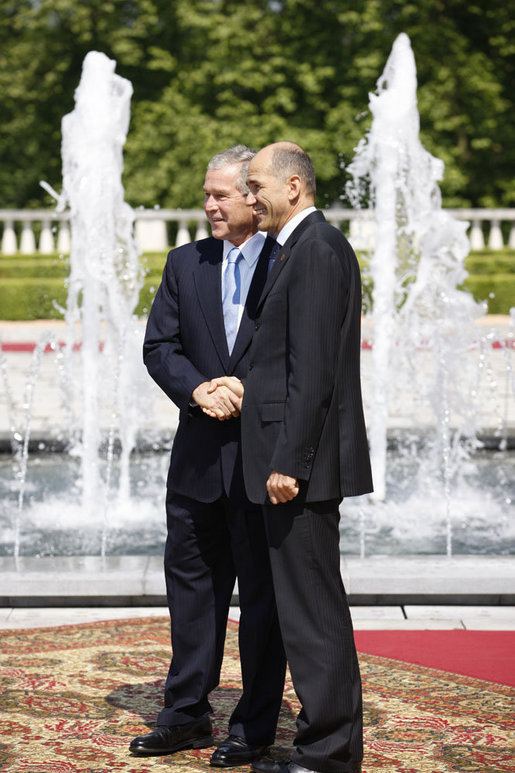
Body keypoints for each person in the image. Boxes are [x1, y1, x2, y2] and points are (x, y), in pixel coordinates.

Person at [130, 146, 286, 766]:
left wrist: (247, 387)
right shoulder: (183, 262)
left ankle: (253, 724)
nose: (209, 205)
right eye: (206, 194)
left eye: (222, 194)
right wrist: (197, 389)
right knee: (192, 593)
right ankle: (185, 714)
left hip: (262, 462)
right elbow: (159, 345)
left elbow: (299, 346)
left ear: (254, 196)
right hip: (196, 458)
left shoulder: (288, 261)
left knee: (264, 601)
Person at [238, 142, 373, 773]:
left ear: (295, 186)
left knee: (314, 610)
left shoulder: (316, 250)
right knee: (304, 606)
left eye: (257, 183)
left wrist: (289, 460)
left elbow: (314, 368)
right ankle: (325, 740)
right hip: (293, 461)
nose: (248, 195)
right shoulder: (299, 247)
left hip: (302, 469)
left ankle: (329, 750)